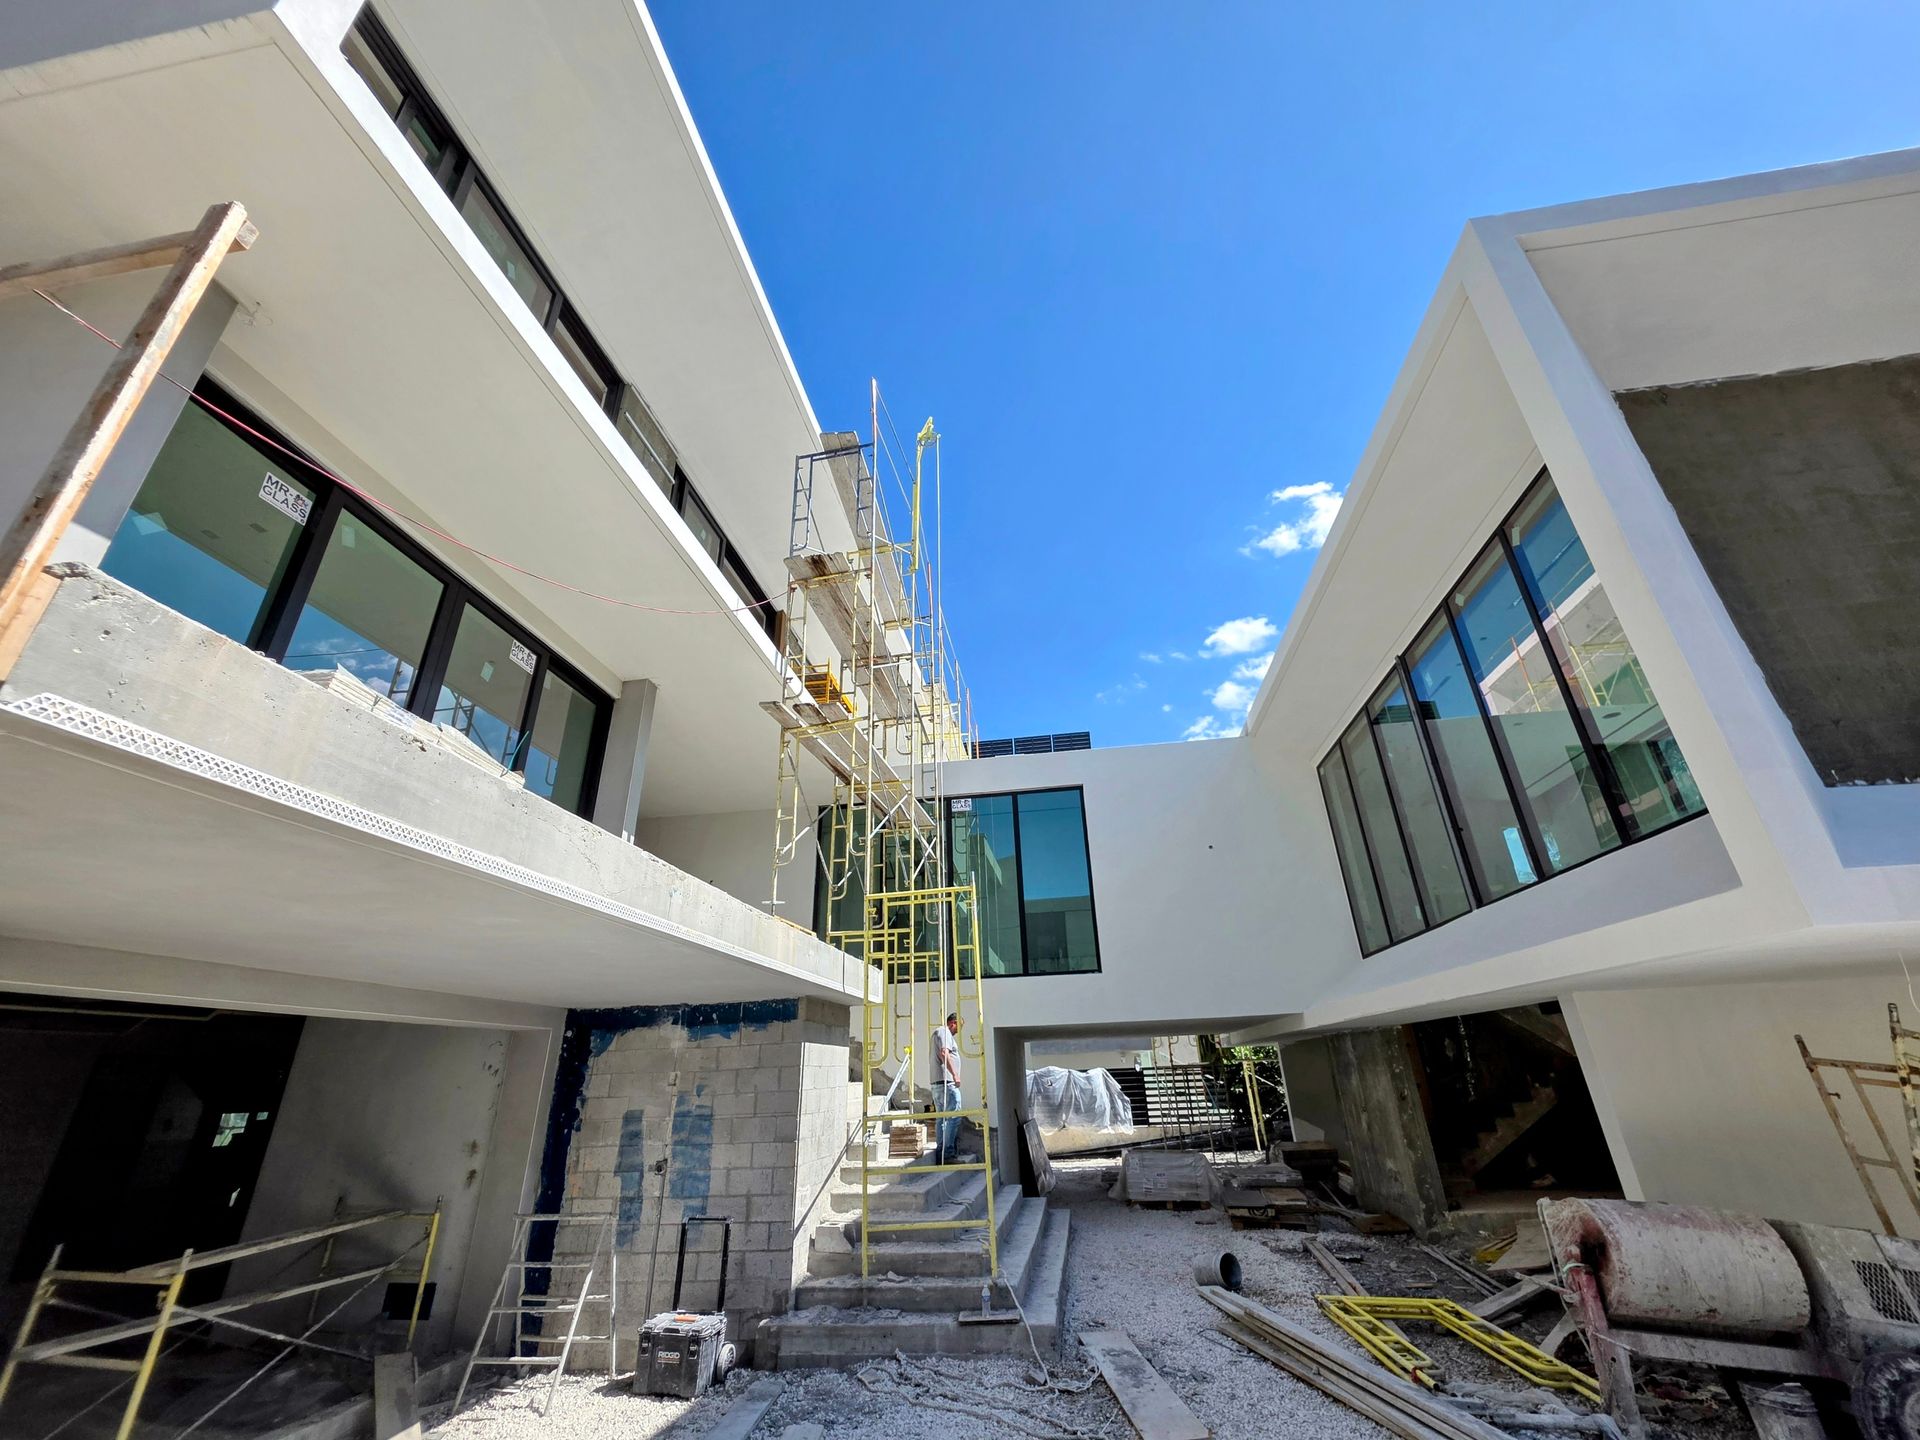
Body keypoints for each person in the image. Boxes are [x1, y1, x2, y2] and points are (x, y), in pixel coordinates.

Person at [930, 1012, 962, 1163]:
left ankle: (941, 1154)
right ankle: (948, 1154)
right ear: (953, 1023)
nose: (958, 1031)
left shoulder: (939, 1033)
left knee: (941, 1119)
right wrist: (955, 1075)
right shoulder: (945, 1032)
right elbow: (944, 1053)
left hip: (939, 1083)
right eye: (959, 1026)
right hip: (946, 1083)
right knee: (953, 1117)